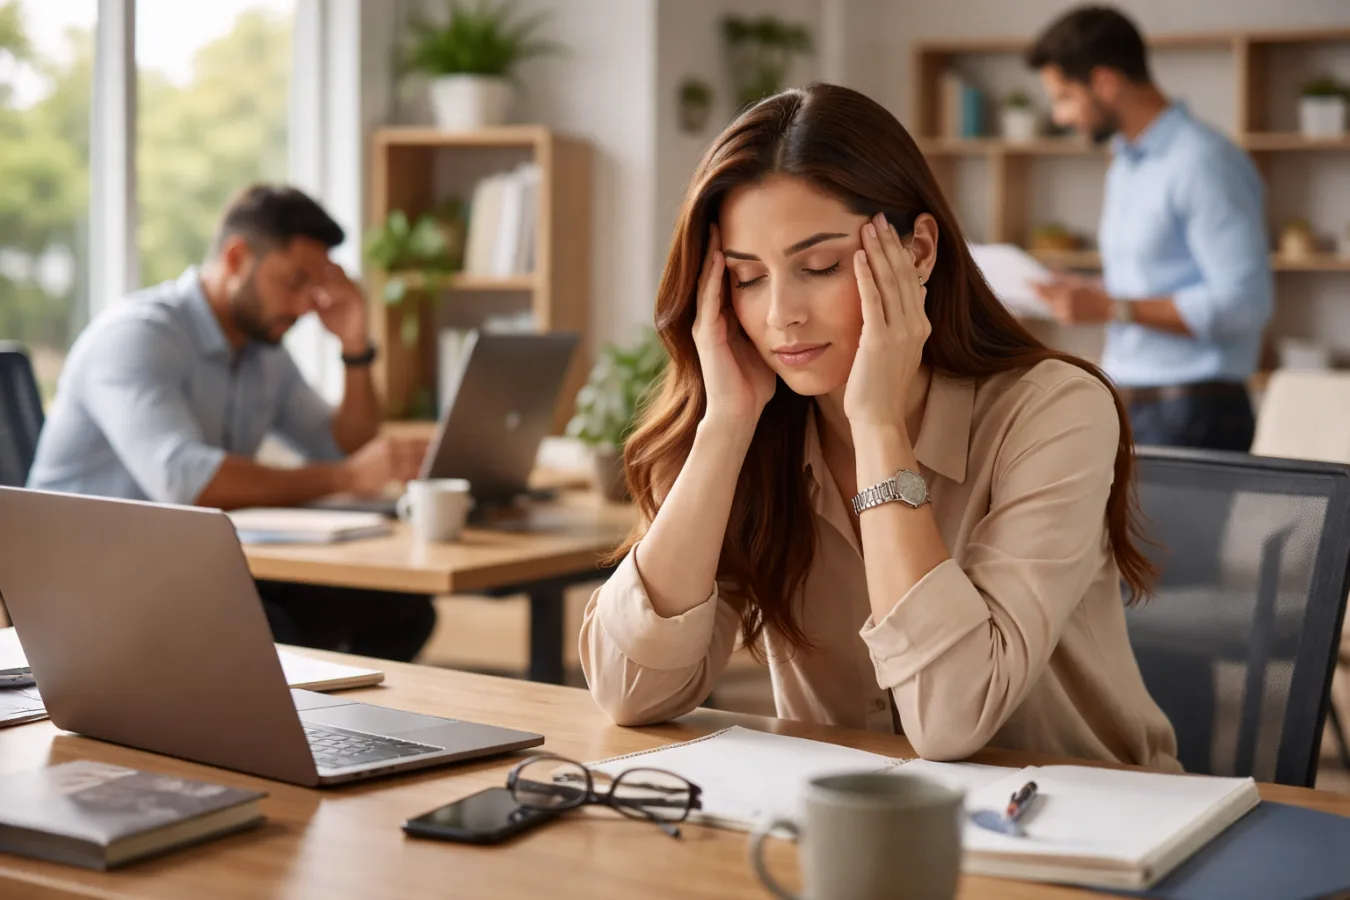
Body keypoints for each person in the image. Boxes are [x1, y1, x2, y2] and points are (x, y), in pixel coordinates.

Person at [578, 83, 1179, 769]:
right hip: (860, 831)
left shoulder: (1055, 411)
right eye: (746, 278)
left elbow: (951, 719)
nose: (781, 315)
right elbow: (631, 692)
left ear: (919, 251)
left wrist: (878, 427)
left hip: (1089, 837)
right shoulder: (762, 433)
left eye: (820, 266)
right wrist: (725, 425)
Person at [27, 185, 435, 661]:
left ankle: (333, 732)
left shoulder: (263, 351)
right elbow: (186, 480)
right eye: (295, 281)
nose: (307, 305)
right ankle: (279, 729)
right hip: (90, 581)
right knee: (269, 628)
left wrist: (355, 345)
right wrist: (345, 478)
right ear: (238, 257)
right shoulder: (137, 336)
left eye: (316, 286)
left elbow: (342, 447)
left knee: (400, 610)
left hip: (189, 566)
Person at [1026, 5, 1273, 451]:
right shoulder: (1125, 163)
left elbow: (1246, 302)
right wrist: (1091, 292)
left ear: (1105, 82)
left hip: (1194, 413)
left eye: (1064, 97)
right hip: (1135, 403)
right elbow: (1153, 281)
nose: (1060, 117)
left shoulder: (1203, 162)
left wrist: (1111, 307)